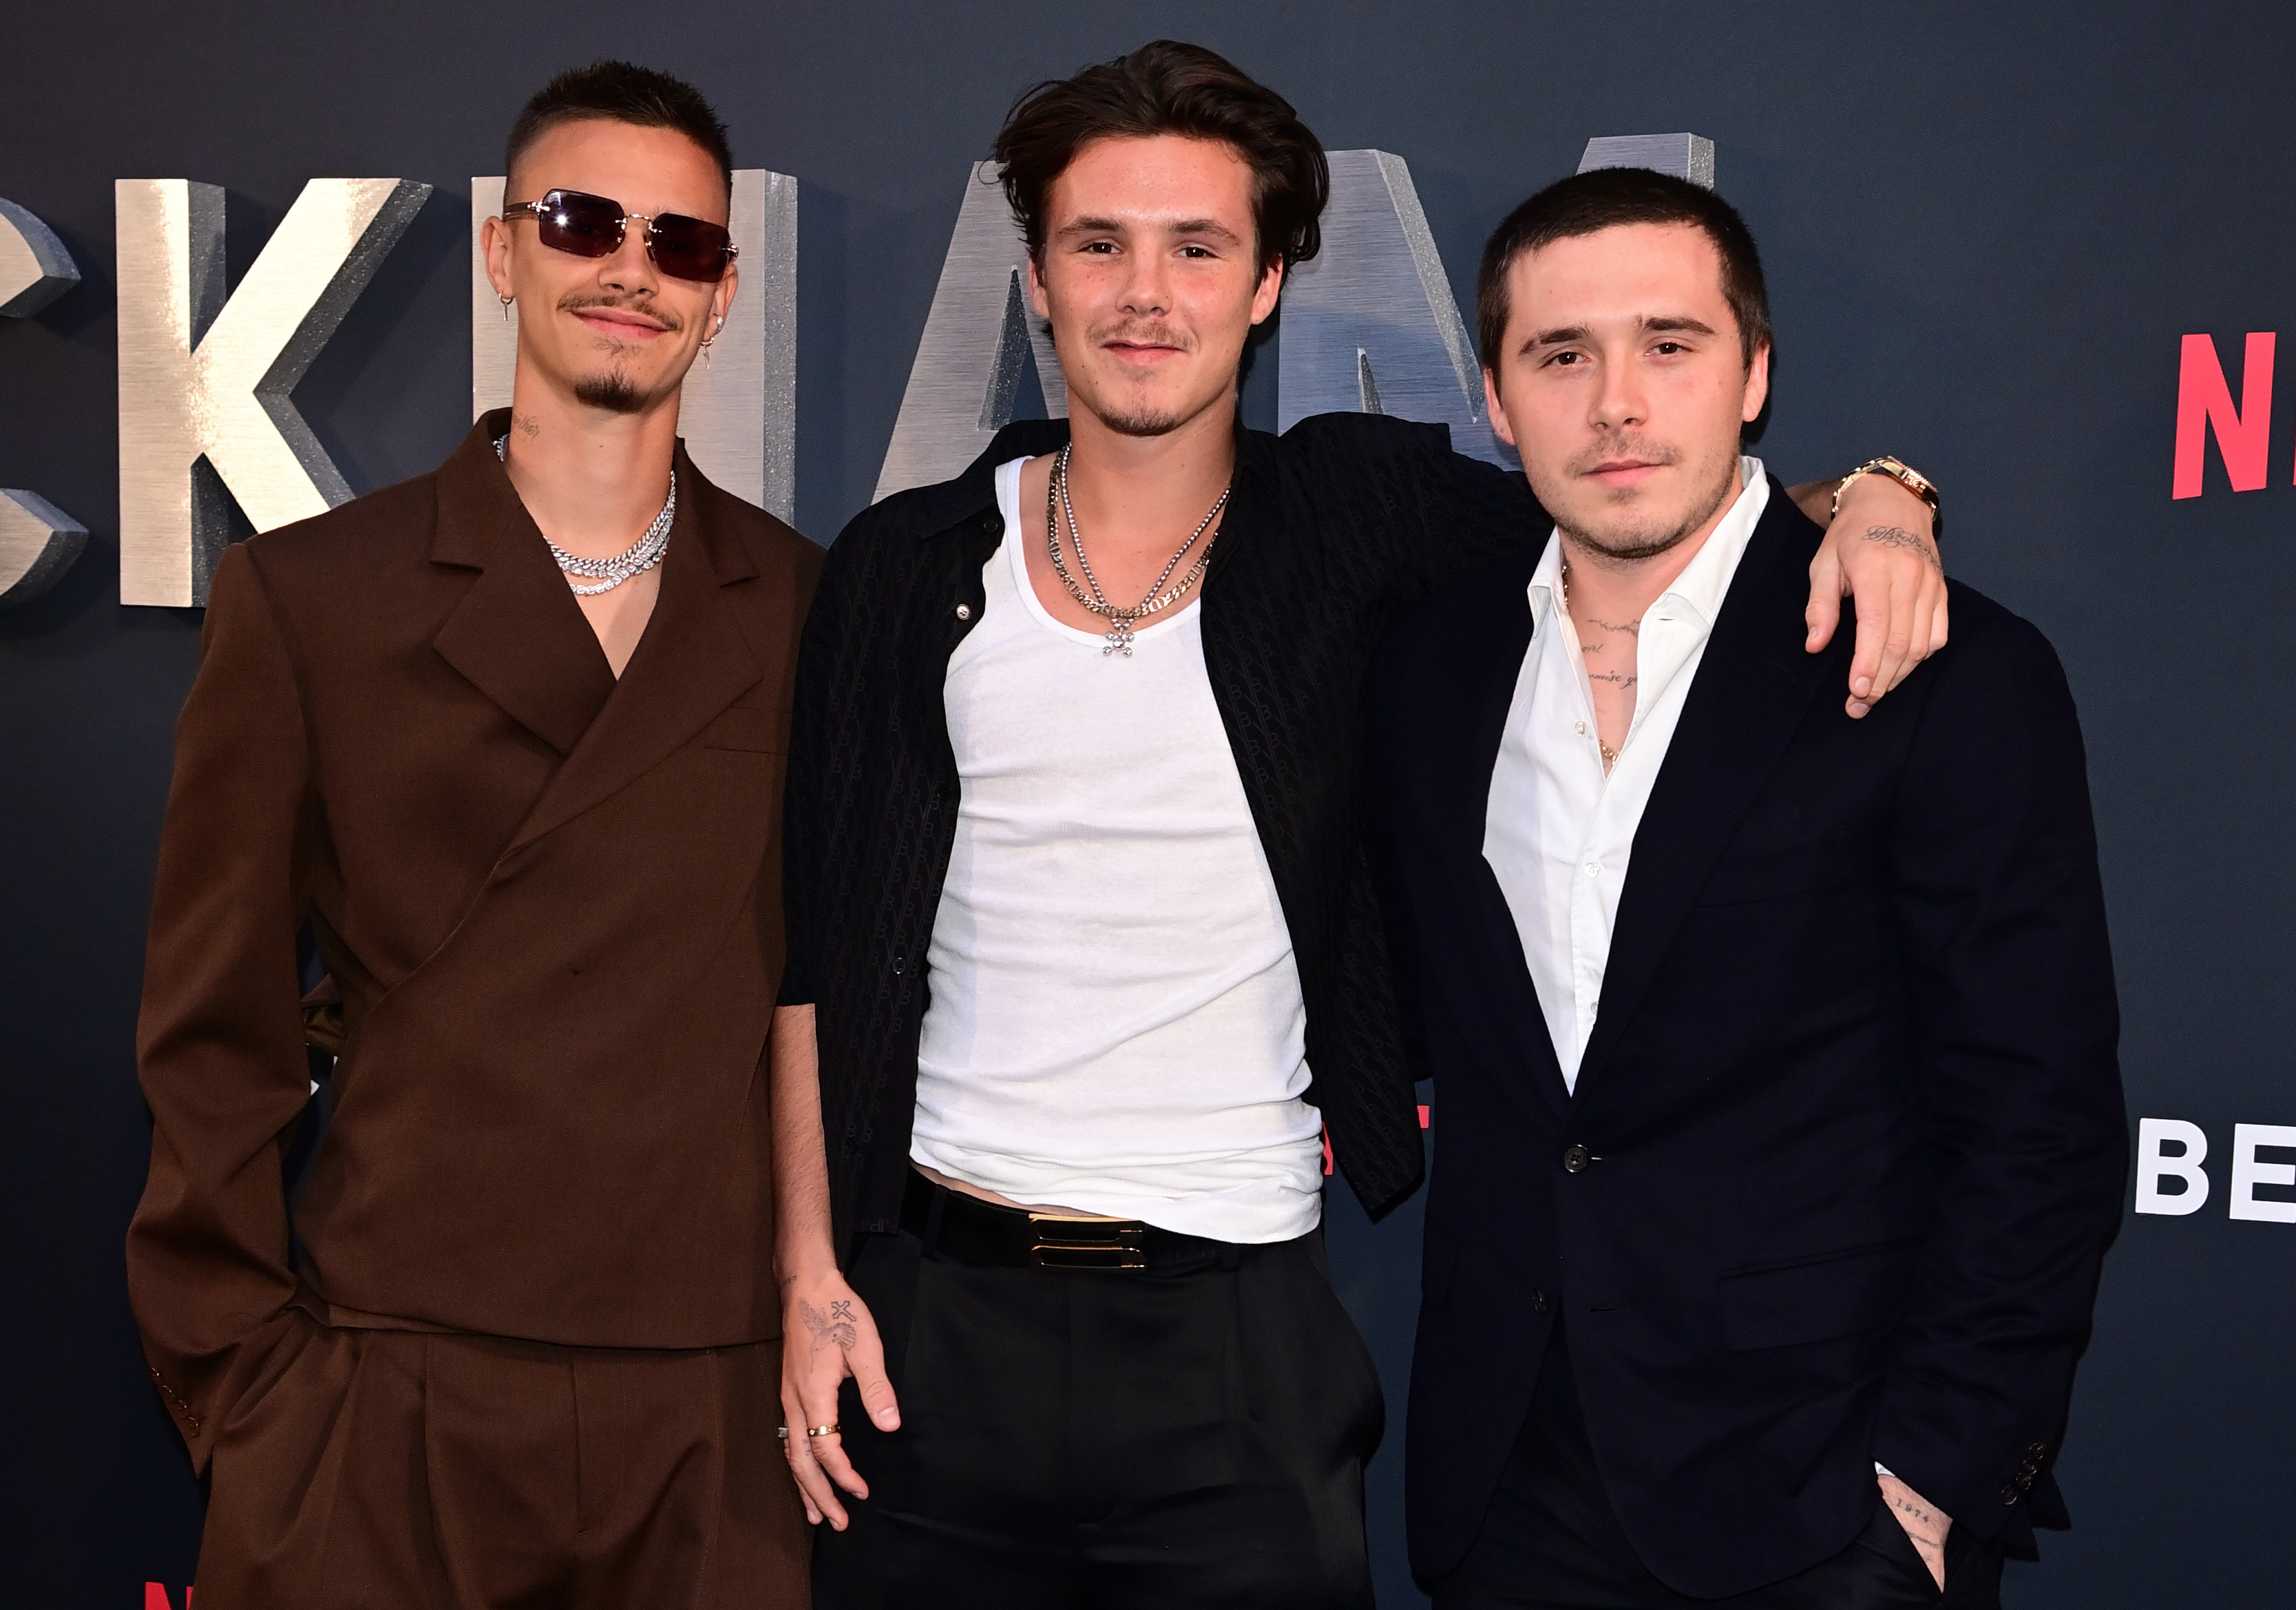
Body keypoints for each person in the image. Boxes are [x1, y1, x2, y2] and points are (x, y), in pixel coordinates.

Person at [773, 41, 1948, 1610]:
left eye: (1198, 247)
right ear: (1037, 276)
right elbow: (814, 957)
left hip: (1237, 1337)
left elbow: (1646, 506)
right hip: (929, 1319)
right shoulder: (904, 566)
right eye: (1098, 244)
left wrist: (1881, 494)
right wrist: (810, 1277)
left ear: (1267, 285)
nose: (1145, 292)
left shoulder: (1352, 518)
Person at [1368, 166, 2126, 1609]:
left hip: (1824, 1493)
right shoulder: (1431, 664)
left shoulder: (1941, 671)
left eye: (1671, 345)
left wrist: (1931, 1480)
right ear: (1493, 394)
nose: (1617, 405)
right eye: (1563, 354)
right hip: (1507, 1478)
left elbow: (2043, 1120)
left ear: (1756, 374)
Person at [125, 62, 818, 1608]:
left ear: (721, 296)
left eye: (682, 242)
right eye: (582, 221)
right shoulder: (312, 600)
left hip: (708, 1416)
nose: (631, 268)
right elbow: (212, 1032)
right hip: (389, 1402)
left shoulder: (812, 611)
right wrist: (247, 1393)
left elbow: (831, 1011)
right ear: (504, 254)